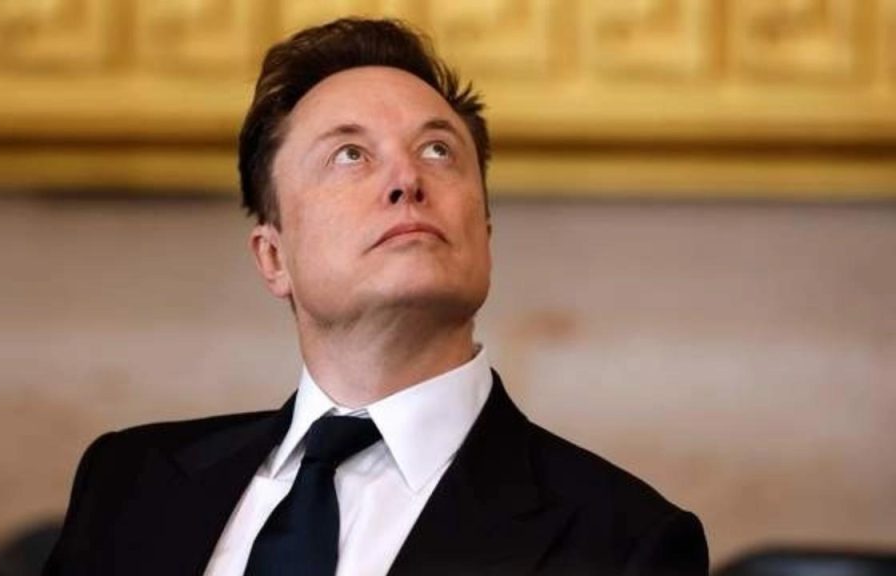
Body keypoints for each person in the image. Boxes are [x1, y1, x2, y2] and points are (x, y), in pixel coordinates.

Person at [44, 17, 709, 576]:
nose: (407, 180)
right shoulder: (129, 483)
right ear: (274, 258)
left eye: (438, 150)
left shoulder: (624, 543)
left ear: (484, 233)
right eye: (350, 155)